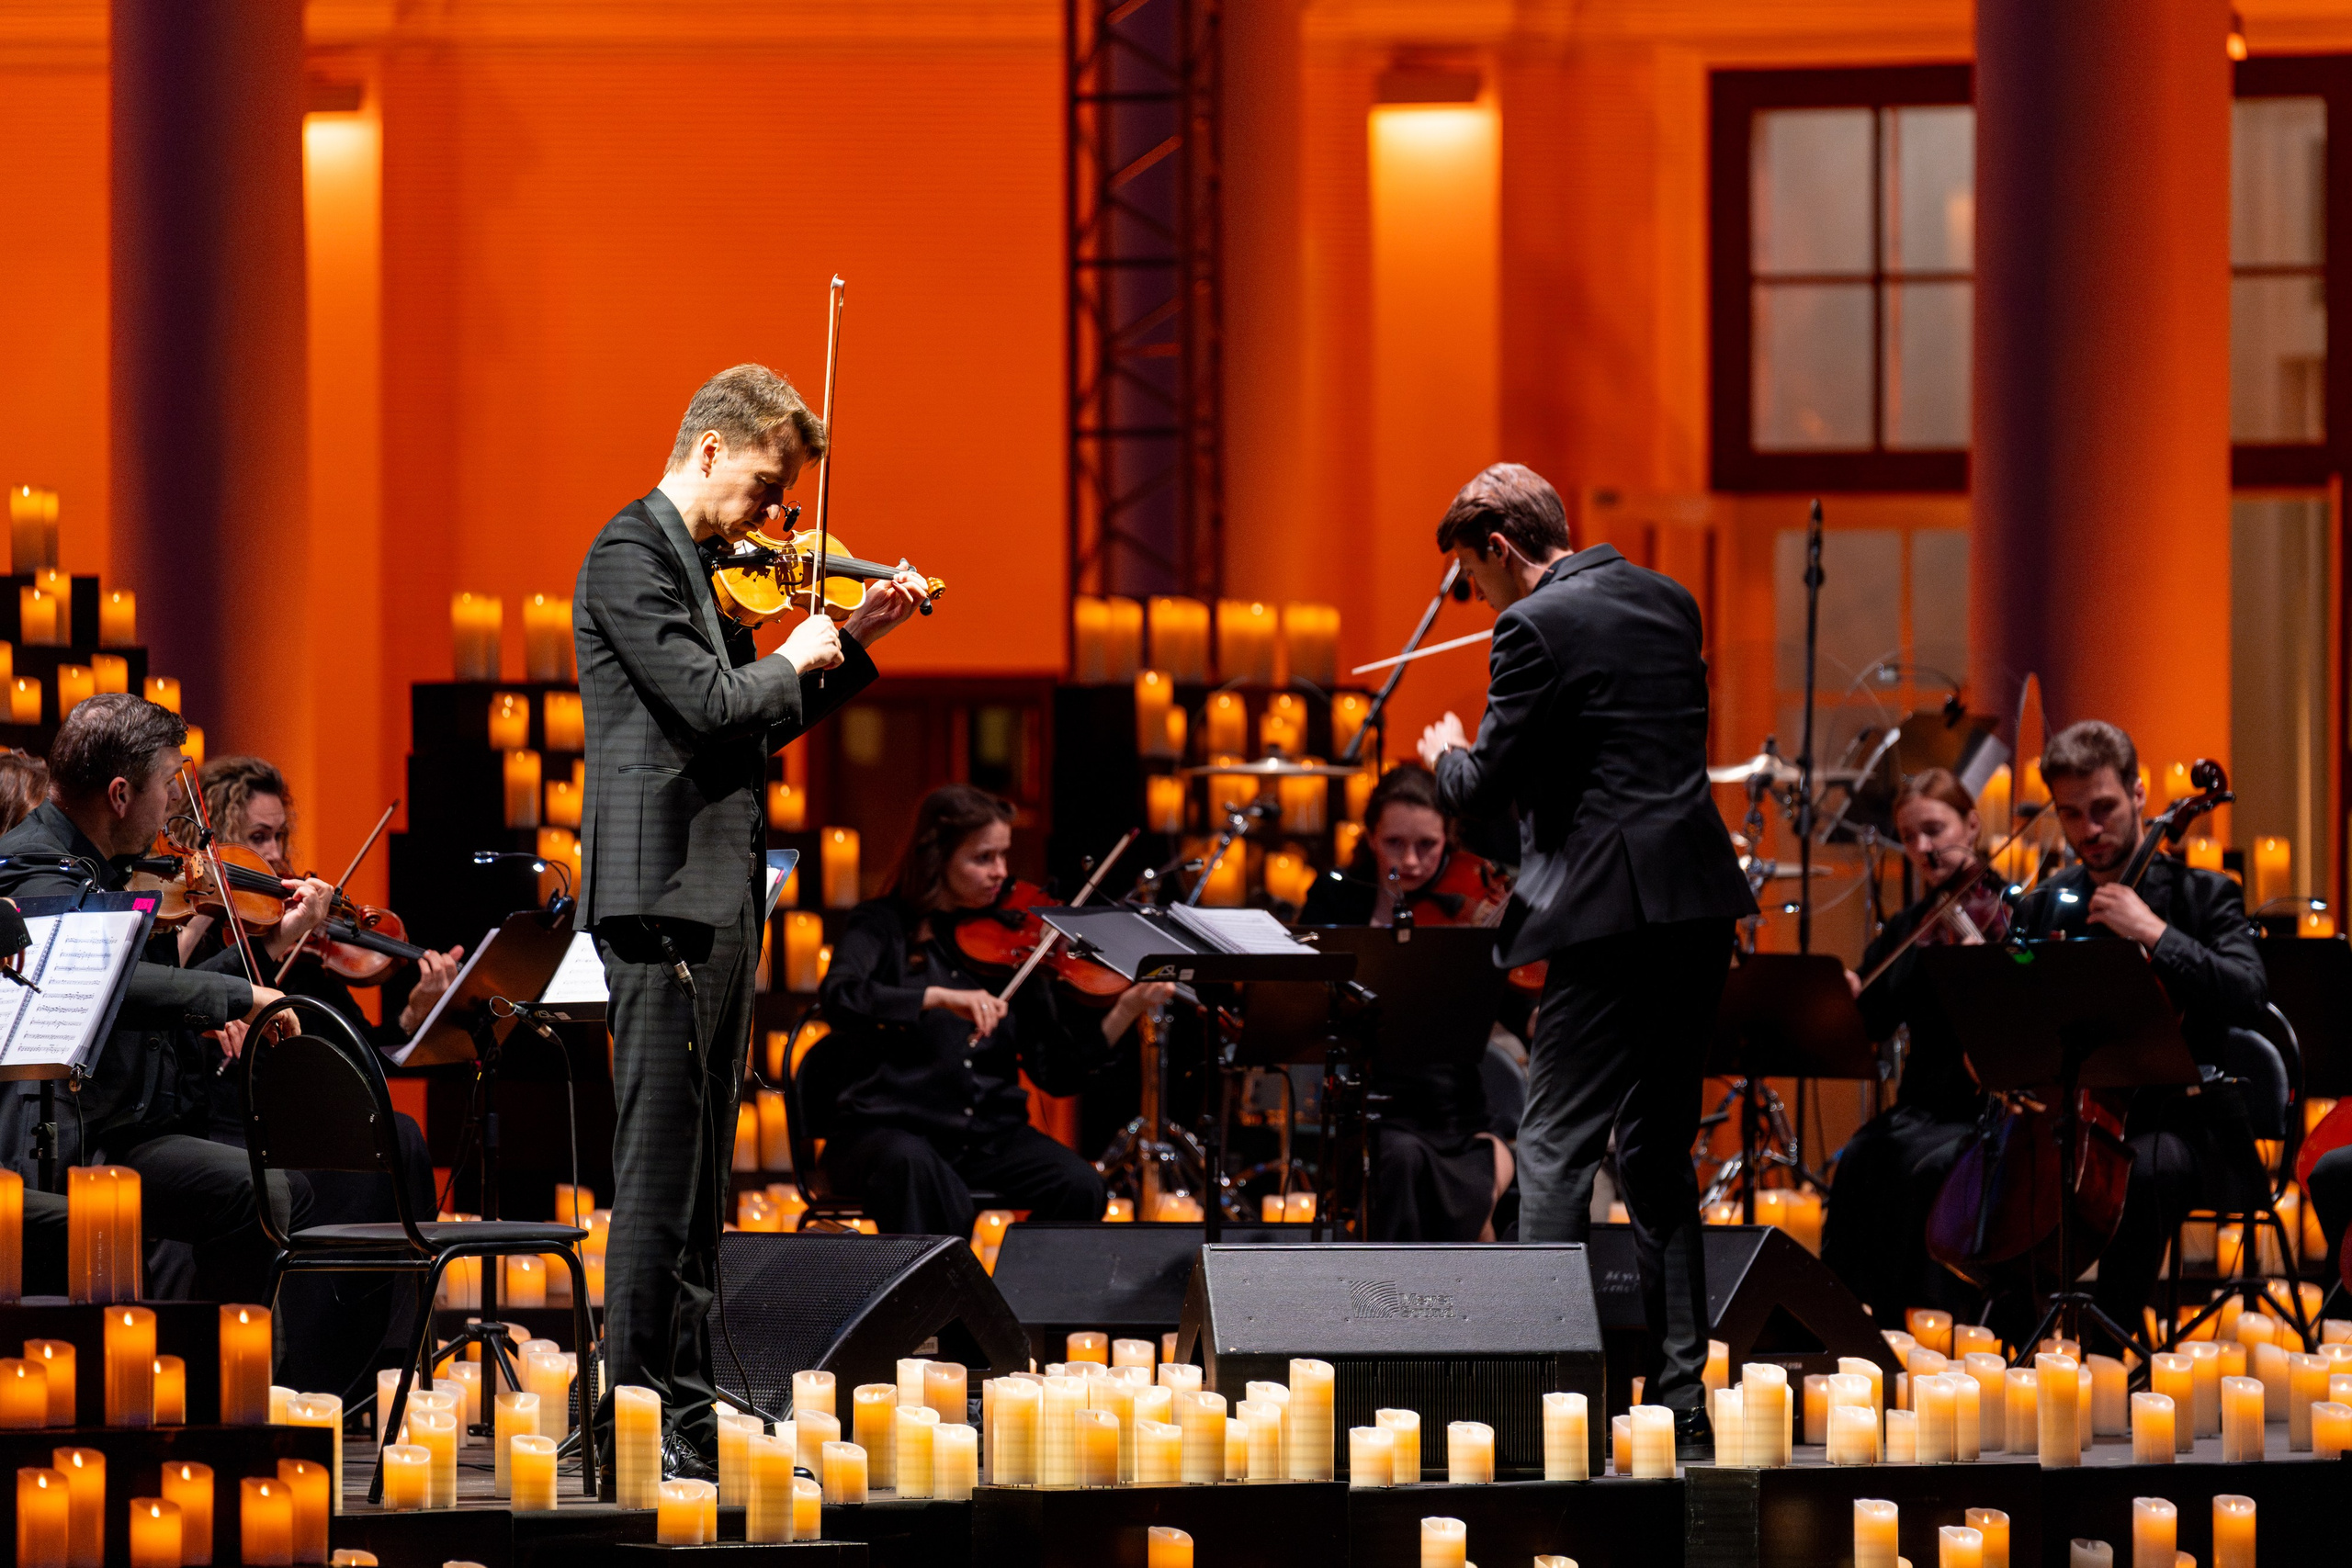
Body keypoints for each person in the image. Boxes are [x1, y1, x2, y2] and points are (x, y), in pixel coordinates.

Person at [575, 363, 930, 1478]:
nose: (778, 521)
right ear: (713, 449)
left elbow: (750, 727)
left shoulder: (702, 565)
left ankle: (677, 1405)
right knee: (657, 1175)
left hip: (715, 894)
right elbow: (711, 703)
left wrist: (856, 637)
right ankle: (633, 1413)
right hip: (660, 897)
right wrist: (788, 654)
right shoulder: (630, 553)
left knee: (700, 1181)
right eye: (771, 488)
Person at [1417, 462, 1755, 1456]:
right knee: (1655, 1152)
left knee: (1556, 1147)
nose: (1479, 601)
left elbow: (1486, 789)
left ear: (1503, 551)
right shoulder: (1668, 601)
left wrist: (1443, 752)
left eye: (1475, 580)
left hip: (1605, 917)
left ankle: (1542, 1407)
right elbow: (1618, 759)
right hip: (1695, 904)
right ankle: (1682, 1405)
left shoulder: (1530, 627)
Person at [0, 694, 311, 1304]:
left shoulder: (122, 860)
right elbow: (94, 976)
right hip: (66, 1137)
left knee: (271, 1190)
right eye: (168, 784)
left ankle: (223, 1370)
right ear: (120, 795)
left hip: (127, 1125)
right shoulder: (31, 865)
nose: (175, 800)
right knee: (259, 1194)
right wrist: (237, 993)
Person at [183, 755, 455, 1401]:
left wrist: (417, 1012)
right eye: (257, 837)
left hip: (296, 1114)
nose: (277, 856)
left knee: (400, 1134)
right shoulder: (207, 933)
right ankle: (312, 1362)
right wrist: (208, 905)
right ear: (216, 840)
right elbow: (172, 989)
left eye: (280, 836)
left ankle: (385, 1355)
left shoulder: (299, 944)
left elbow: (353, 1049)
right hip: (223, 1114)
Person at [2007, 720, 2270, 1342]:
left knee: (2144, 1171)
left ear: (2139, 794)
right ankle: (2009, 1342)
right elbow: (2015, 1000)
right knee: (1999, 1170)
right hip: (2071, 1119)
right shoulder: (2047, 902)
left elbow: (2249, 991)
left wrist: (2153, 932)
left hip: (2187, 1122)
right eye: (2071, 815)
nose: (2089, 831)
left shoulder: (2207, 895)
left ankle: (2105, 1354)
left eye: (2103, 808)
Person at [818, 784, 1171, 1233]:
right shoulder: (882, 925)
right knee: (919, 1170)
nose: (1000, 873)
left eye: (1003, 856)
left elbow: (1056, 1072)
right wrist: (937, 998)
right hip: (885, 1133)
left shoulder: (1015, 945)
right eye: (982, 858)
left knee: (1080, 1185)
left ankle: (1014, 1298)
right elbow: (840, 996)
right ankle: (945, 1301)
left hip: (986, 1139)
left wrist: (1126, 1009)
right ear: (937, 856)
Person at [1299, 764, 1517, 1242]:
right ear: (1371, 837)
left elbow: (1513, 1004)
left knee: (1471, 1159)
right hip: (1366, 1101)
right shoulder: (1336, 899)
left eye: (1428, 845)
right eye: (1395, 843)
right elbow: (1303, 988)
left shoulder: (1469, 898)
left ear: (1448, 839)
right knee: (1398, 1158)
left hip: (1453, 1105)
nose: (1413, 861)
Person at [1820, 768, 2001, 1323]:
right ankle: (1854, 1321)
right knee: (1861, 1158)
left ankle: (1934, 1326)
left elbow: (2025, 999)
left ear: (1970, 825)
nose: (1922, 847)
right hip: (1921, 1107)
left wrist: (1990, 959)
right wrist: (1849, 995)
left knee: (1925, 1169)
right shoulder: (1911, 926)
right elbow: (1873, 1020)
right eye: (1910, 835)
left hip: (1984, 1109)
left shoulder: (2008, 912)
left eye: (1934, 829)